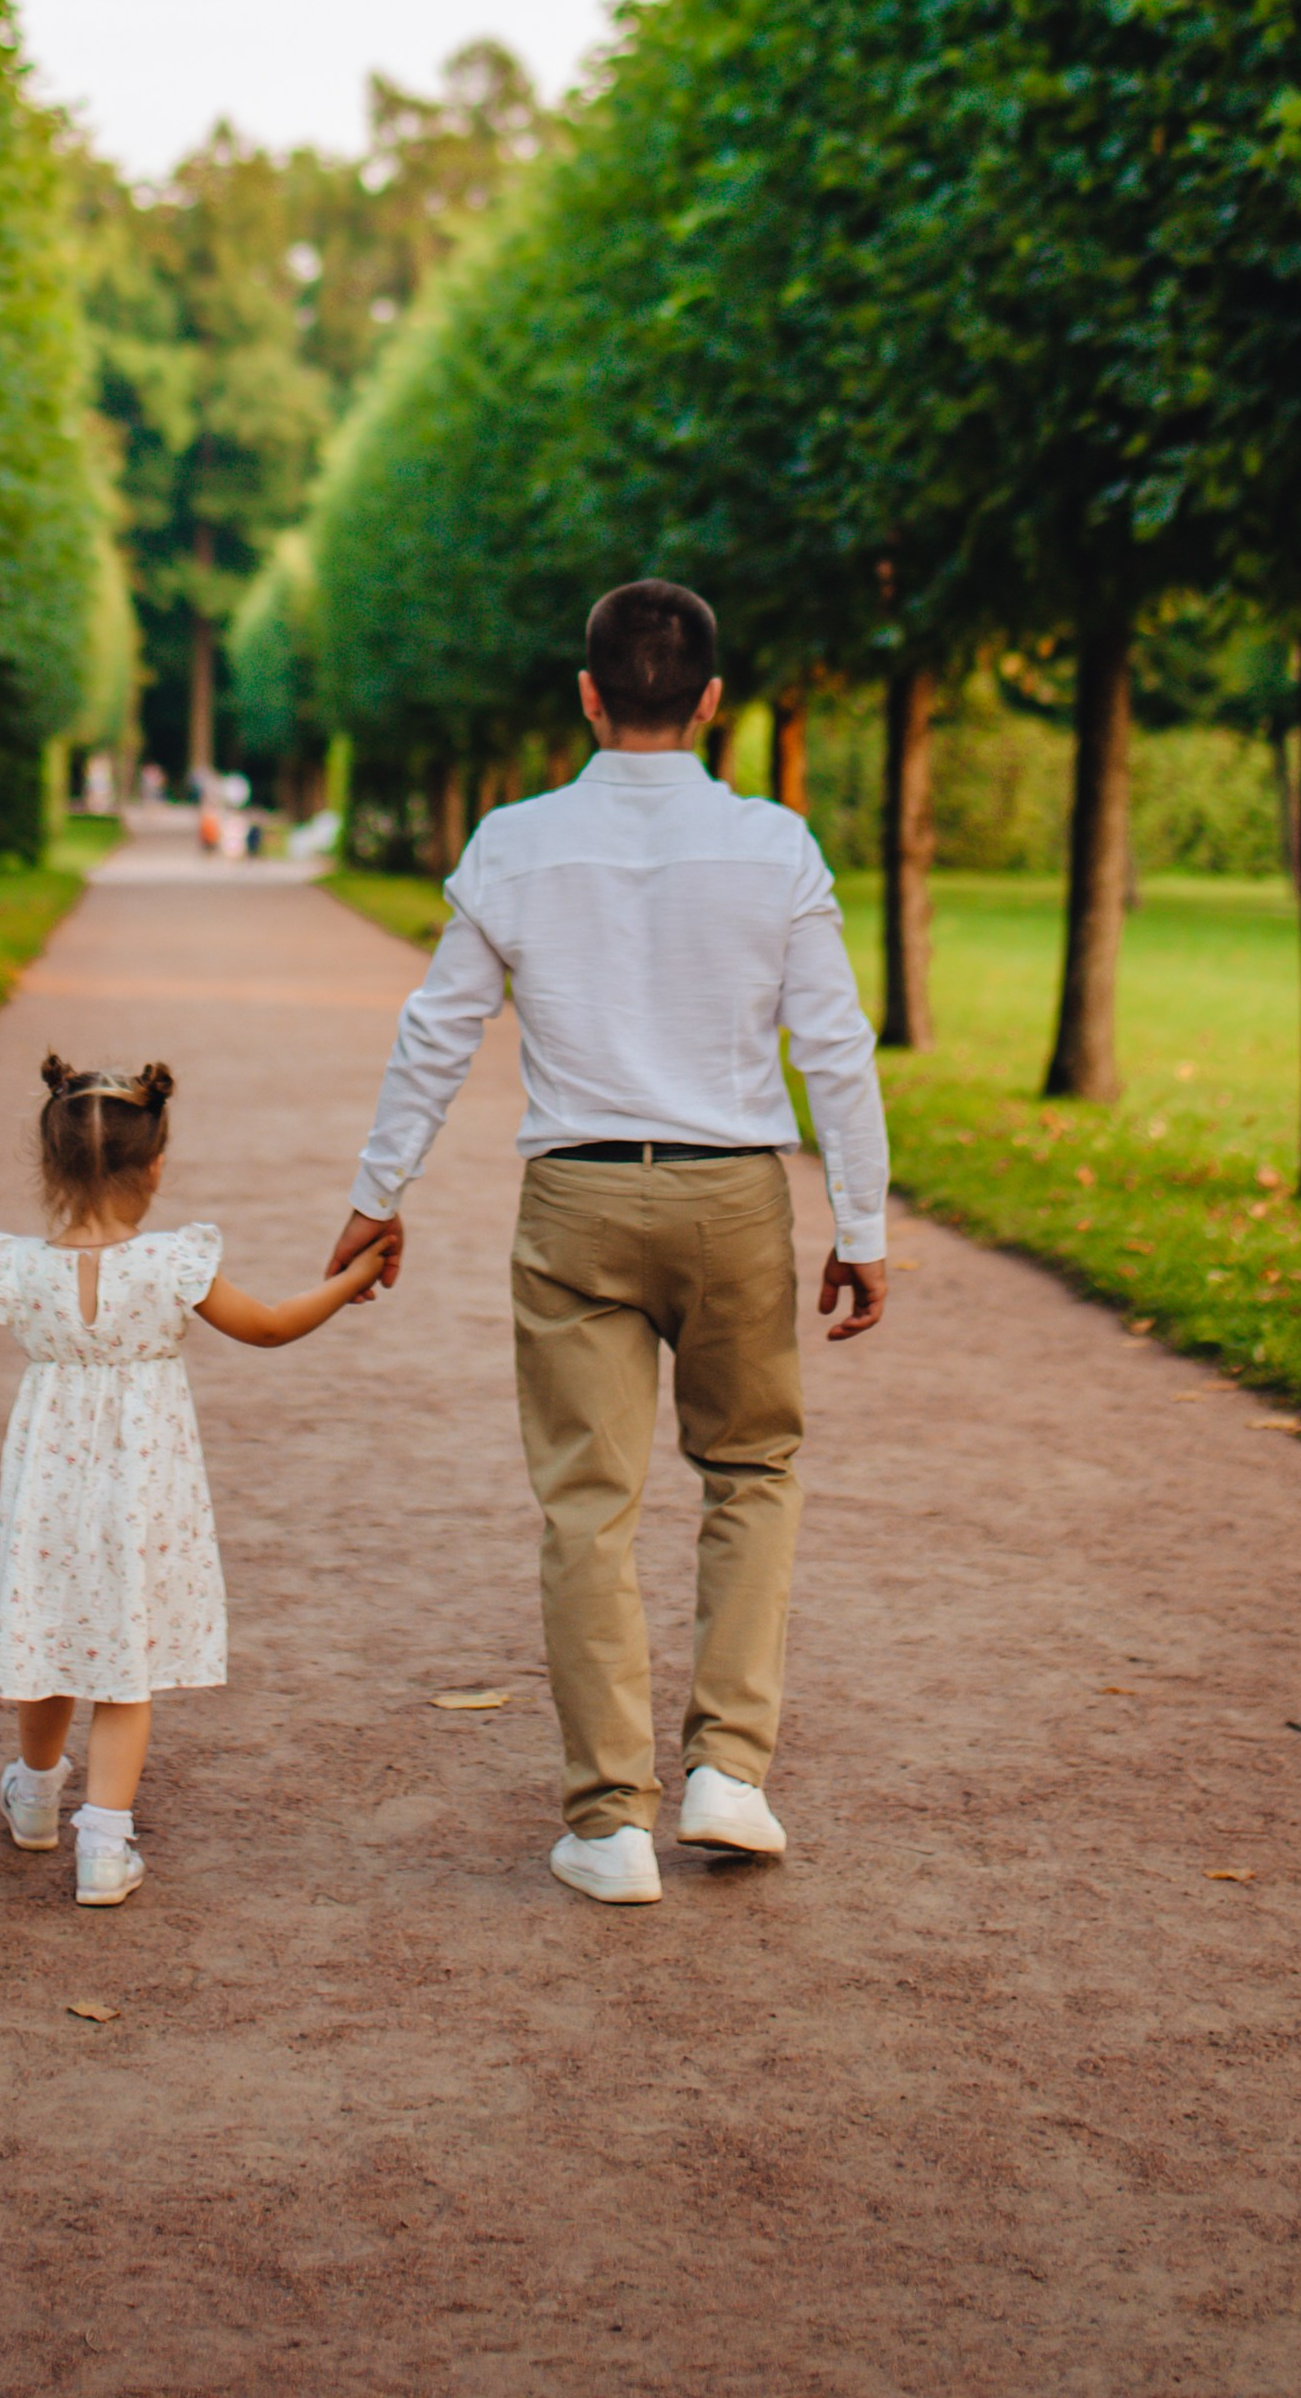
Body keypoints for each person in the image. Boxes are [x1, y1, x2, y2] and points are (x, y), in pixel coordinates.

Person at [326, 579, 890, 1909]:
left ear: (584, 695)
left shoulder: (515, 842)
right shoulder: (774, 846)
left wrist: (376, 1189)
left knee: (589, 1504)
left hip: (574, 1199)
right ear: (709, 700)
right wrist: (858, 1222)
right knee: (749, 1470)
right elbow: (834, 1046)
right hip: (732, 1197)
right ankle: (728, 1775)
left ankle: (606, 1823)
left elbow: (436, 1030)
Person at [0, 1056, 390, 1907]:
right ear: (154, 1165)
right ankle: (105, 1843)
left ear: (48, 1166)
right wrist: (349, 1280)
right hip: (144, 1494)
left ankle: (38, 1794)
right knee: (126, 1657)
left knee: (49, 1635)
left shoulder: (20, 1269)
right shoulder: (172, 1266)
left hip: (49, 1491)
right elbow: (269, 1329)